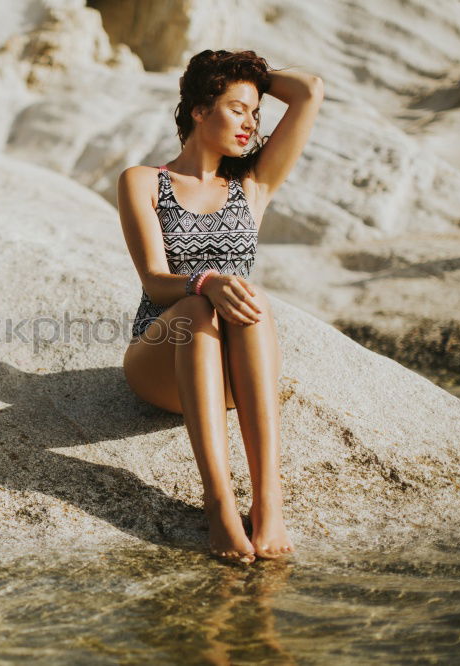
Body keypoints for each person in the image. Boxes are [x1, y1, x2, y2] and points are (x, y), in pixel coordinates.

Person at [117, 49, 323, 564]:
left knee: (250, 298)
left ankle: (268, 502)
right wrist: (205, 281)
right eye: (237, 108)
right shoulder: (144, 181)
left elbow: (309, 91)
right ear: (199, 110)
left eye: (256, 113)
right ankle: (219, 505)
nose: (251, 124)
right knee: (196, 307)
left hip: (236, 369)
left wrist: (251, 78)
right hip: (165, 355)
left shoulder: (251, 185)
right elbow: (156, 281)